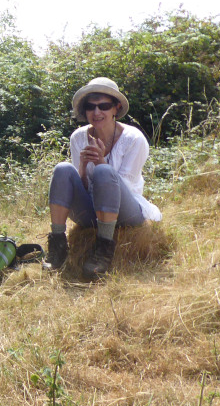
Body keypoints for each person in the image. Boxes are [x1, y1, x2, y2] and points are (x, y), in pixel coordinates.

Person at [43, 77, 162, 279]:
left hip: (126, 211)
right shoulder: (78, 137)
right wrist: (82, 166)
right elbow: (79, 187)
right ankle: (57, 244)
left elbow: (124, 187)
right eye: (90, 107)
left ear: (116, 108)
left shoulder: (133, 139)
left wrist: (100, 162)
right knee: (63, 169)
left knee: (104, 172)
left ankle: (103, 249)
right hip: (91, 209)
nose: (97, 112)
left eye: (103, 106)